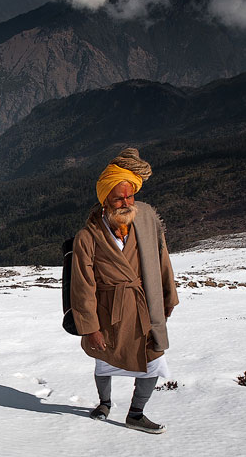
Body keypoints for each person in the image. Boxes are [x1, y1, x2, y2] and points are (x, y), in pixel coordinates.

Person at [70, 148, 179, 433]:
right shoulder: (88, 237)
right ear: (105, 200)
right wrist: (90, 326)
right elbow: (83, 286)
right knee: (105, 360)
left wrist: (168, 295)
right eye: (119, 197)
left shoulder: (145, 219)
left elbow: (161, 257)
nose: (126, 202)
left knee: (154, 360)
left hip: (145, 307)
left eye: (130, 196)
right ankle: (104, 402)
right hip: (109, 312)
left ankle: (136, 413)